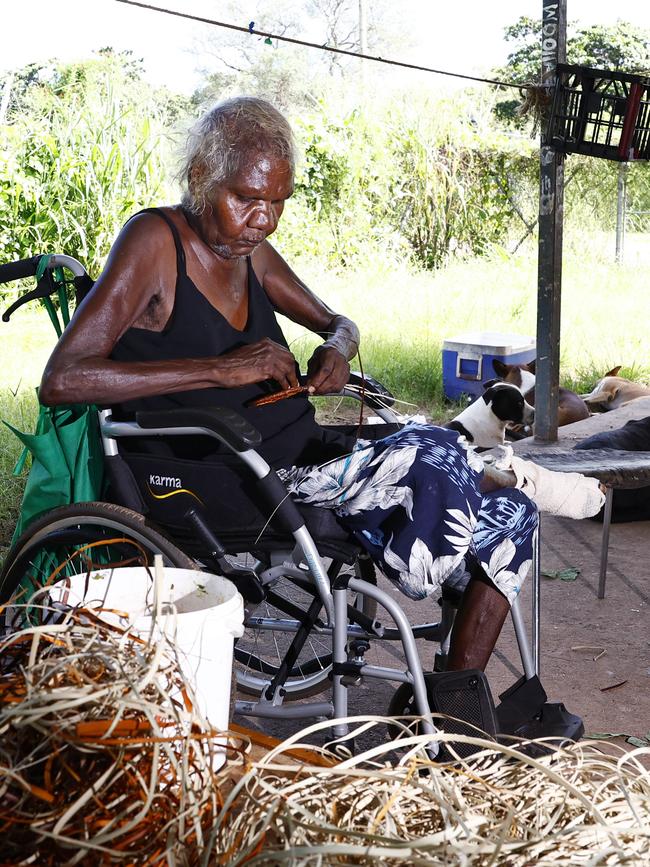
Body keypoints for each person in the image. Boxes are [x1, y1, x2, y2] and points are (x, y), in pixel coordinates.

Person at [40, 96, 539, 672]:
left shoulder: (250, 252)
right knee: (434, 455)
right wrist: (219, 369)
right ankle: (431, 572)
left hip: (295, 461)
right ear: (201, 176)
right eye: (247, 199)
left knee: (510, 505)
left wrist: (337, 350)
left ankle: (456, 699)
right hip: (220, 478)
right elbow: (64, 378)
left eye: (278, 202)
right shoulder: (155, 243)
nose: (264, 219)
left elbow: (340, 322)